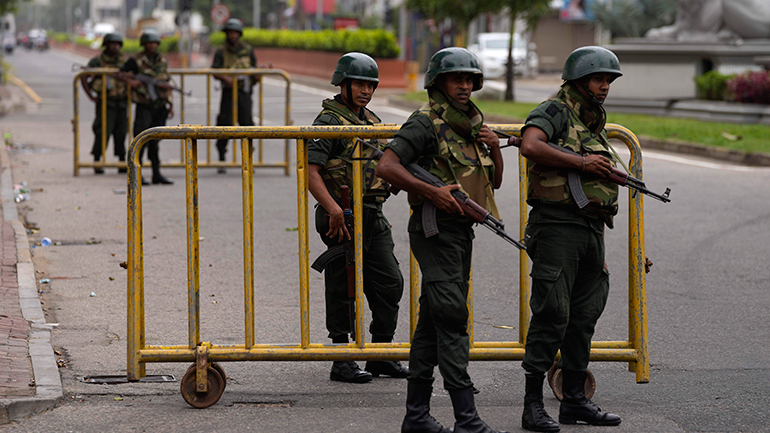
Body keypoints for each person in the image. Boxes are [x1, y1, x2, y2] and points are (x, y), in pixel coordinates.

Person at [376, 47, 507, 433]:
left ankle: (416, 415)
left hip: (461, 231)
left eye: (469, 79)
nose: (465, 86)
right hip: (435, 229)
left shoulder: (471, 127)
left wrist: (496, 149)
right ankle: (467, 418)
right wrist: (431, 192)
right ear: (439, 83)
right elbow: (387, 165)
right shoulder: (425, 122)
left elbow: (492, 183)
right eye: (456, 79)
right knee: (451, 317)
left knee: (432, 322)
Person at [517, 46, 624, 432]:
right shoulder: (555, 110)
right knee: (552, 313)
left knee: (583, 317)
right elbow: (531, 145)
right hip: (557, 226)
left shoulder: (592, 119)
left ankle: (574, 400)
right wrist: (582, 163)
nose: (605, 87)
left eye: (609, 80)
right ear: (579, 80)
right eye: (599, 79)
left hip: (590, 229)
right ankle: (532, 406)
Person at [308, 52, 408, 384]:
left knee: (390, 283)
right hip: (340, 214)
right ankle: (341, 356)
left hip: (372, 213)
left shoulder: (373, 122)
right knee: (342, 285)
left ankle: (380, 353)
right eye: (360, 84)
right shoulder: (328, 122)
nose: (366, 90)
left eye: (371, 85)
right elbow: (310, 172)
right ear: (344, 84)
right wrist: (334, 209)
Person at [120, 29, 173, 185]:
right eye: (149, 43)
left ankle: (156, 173)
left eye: (154, 43)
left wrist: (170, 103)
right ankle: (136, 175)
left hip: (160, 105)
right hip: (145, 105)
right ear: (144, 44)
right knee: (141, 140)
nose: (152, 46)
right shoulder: (135, 61)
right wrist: (131, 82)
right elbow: (120, 73)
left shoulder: (161, 61)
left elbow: (167, 84)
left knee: (155, 141)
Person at [212, 18, 258, 174]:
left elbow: (254, 68)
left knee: (247, 124)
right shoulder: (221, 51)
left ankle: (248, 160)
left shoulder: (248, 49)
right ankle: (222, 159)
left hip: (244, 93)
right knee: (225, 124)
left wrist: (257, 75)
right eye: (230, 32)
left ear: (239, 34)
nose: (232, 35)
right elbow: (215, 70)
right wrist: (225, 78)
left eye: (235, 32)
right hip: (228, 93)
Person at [81, 32, 129, 174]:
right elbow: (84, 76)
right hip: (105, 103)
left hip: (122, 102)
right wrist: (91, 96)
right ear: (106, 45)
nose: (114, 47)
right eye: (111, 44)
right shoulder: (98, 61)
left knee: (121, 133)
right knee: (102, 131)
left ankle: (122, 161)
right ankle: (97, 160)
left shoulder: (124, 61)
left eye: (117, 44)